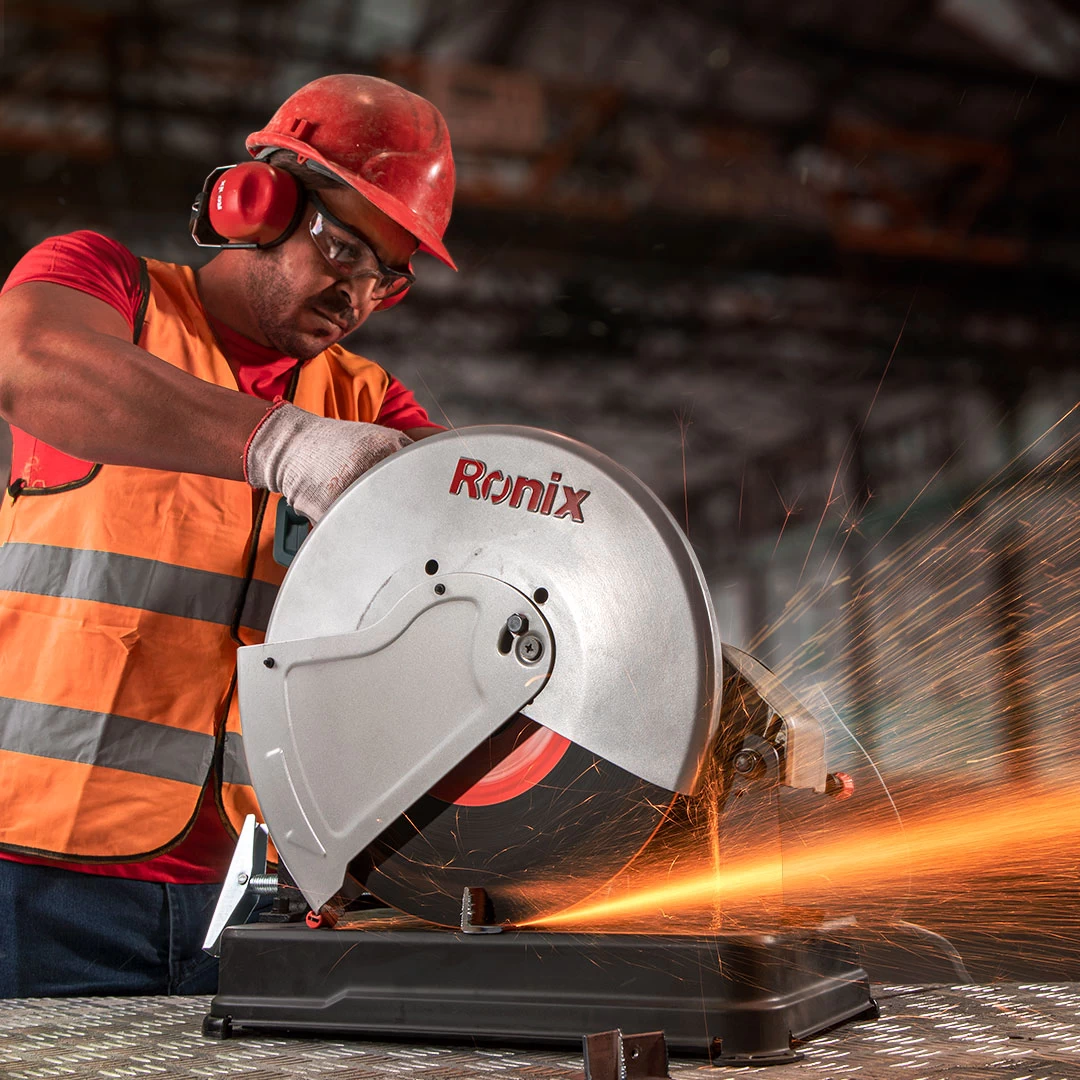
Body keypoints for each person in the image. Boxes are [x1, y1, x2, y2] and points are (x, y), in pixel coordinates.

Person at [0, 74, 455, 997]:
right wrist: (281, 445)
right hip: (34, 873)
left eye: (386, 276)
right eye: (343, 247)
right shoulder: (112, 294)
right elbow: (34, 364)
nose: (357, 293)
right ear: (258, 201)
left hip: (258, 898)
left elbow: (489, 529)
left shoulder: (367, 405)